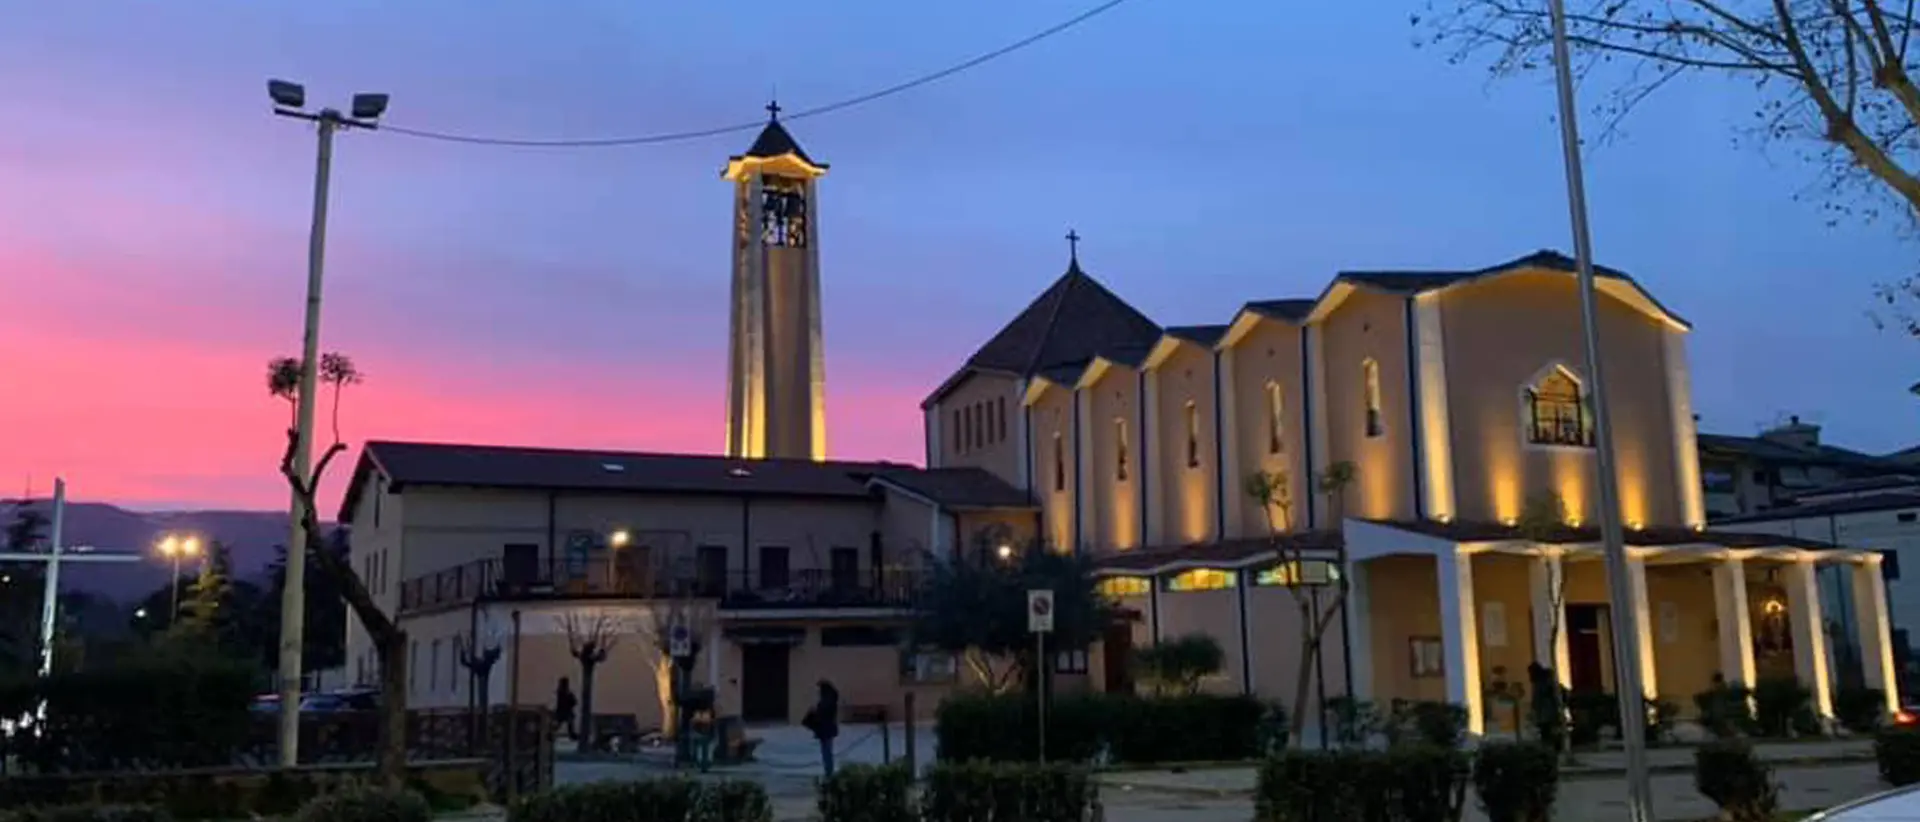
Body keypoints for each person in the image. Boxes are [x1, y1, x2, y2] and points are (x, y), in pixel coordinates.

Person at [800, 678, 840, 776]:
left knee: (827, 752)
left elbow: (823, 714)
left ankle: (829, 772)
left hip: (826, 729)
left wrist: (814, 712)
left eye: (819, 688)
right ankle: (828, 771)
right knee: (826, 751)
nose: (817, 691)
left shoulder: (827, 700)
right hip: (826, 729)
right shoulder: (829, 699)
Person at [554, 677, 578, 741]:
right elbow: (573, 702)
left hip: (563, 711)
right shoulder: (564, 693)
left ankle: (551, 734)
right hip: (565, 711)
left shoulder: (561, 693)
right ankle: (572, 735)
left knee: (561, 724)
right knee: (568, 724)